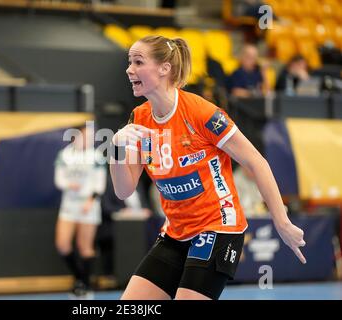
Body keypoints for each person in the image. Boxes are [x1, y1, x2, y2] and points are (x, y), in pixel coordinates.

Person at [110, 35, 306, 300]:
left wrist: (281, 222)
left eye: (138, 62)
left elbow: (255, 161)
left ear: (164, 68)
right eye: (129, 62)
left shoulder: (201, 113)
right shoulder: (140, 119)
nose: (129, 69)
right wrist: (117, 149)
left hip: (218, 227)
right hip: (176, 232)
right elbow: (124, 190)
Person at [54, 124, 106, 298]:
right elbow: (59, 179)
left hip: (88, 206)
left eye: (91, 136)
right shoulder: (65, 155)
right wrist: (69, 184)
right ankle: (79, 278)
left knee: (84, 247)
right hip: (69, 205)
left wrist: (90, 200)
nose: (89, 138)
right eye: (85, 135)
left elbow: (100, 184)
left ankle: (85, 284)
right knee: (63, 244)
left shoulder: (96, 156)